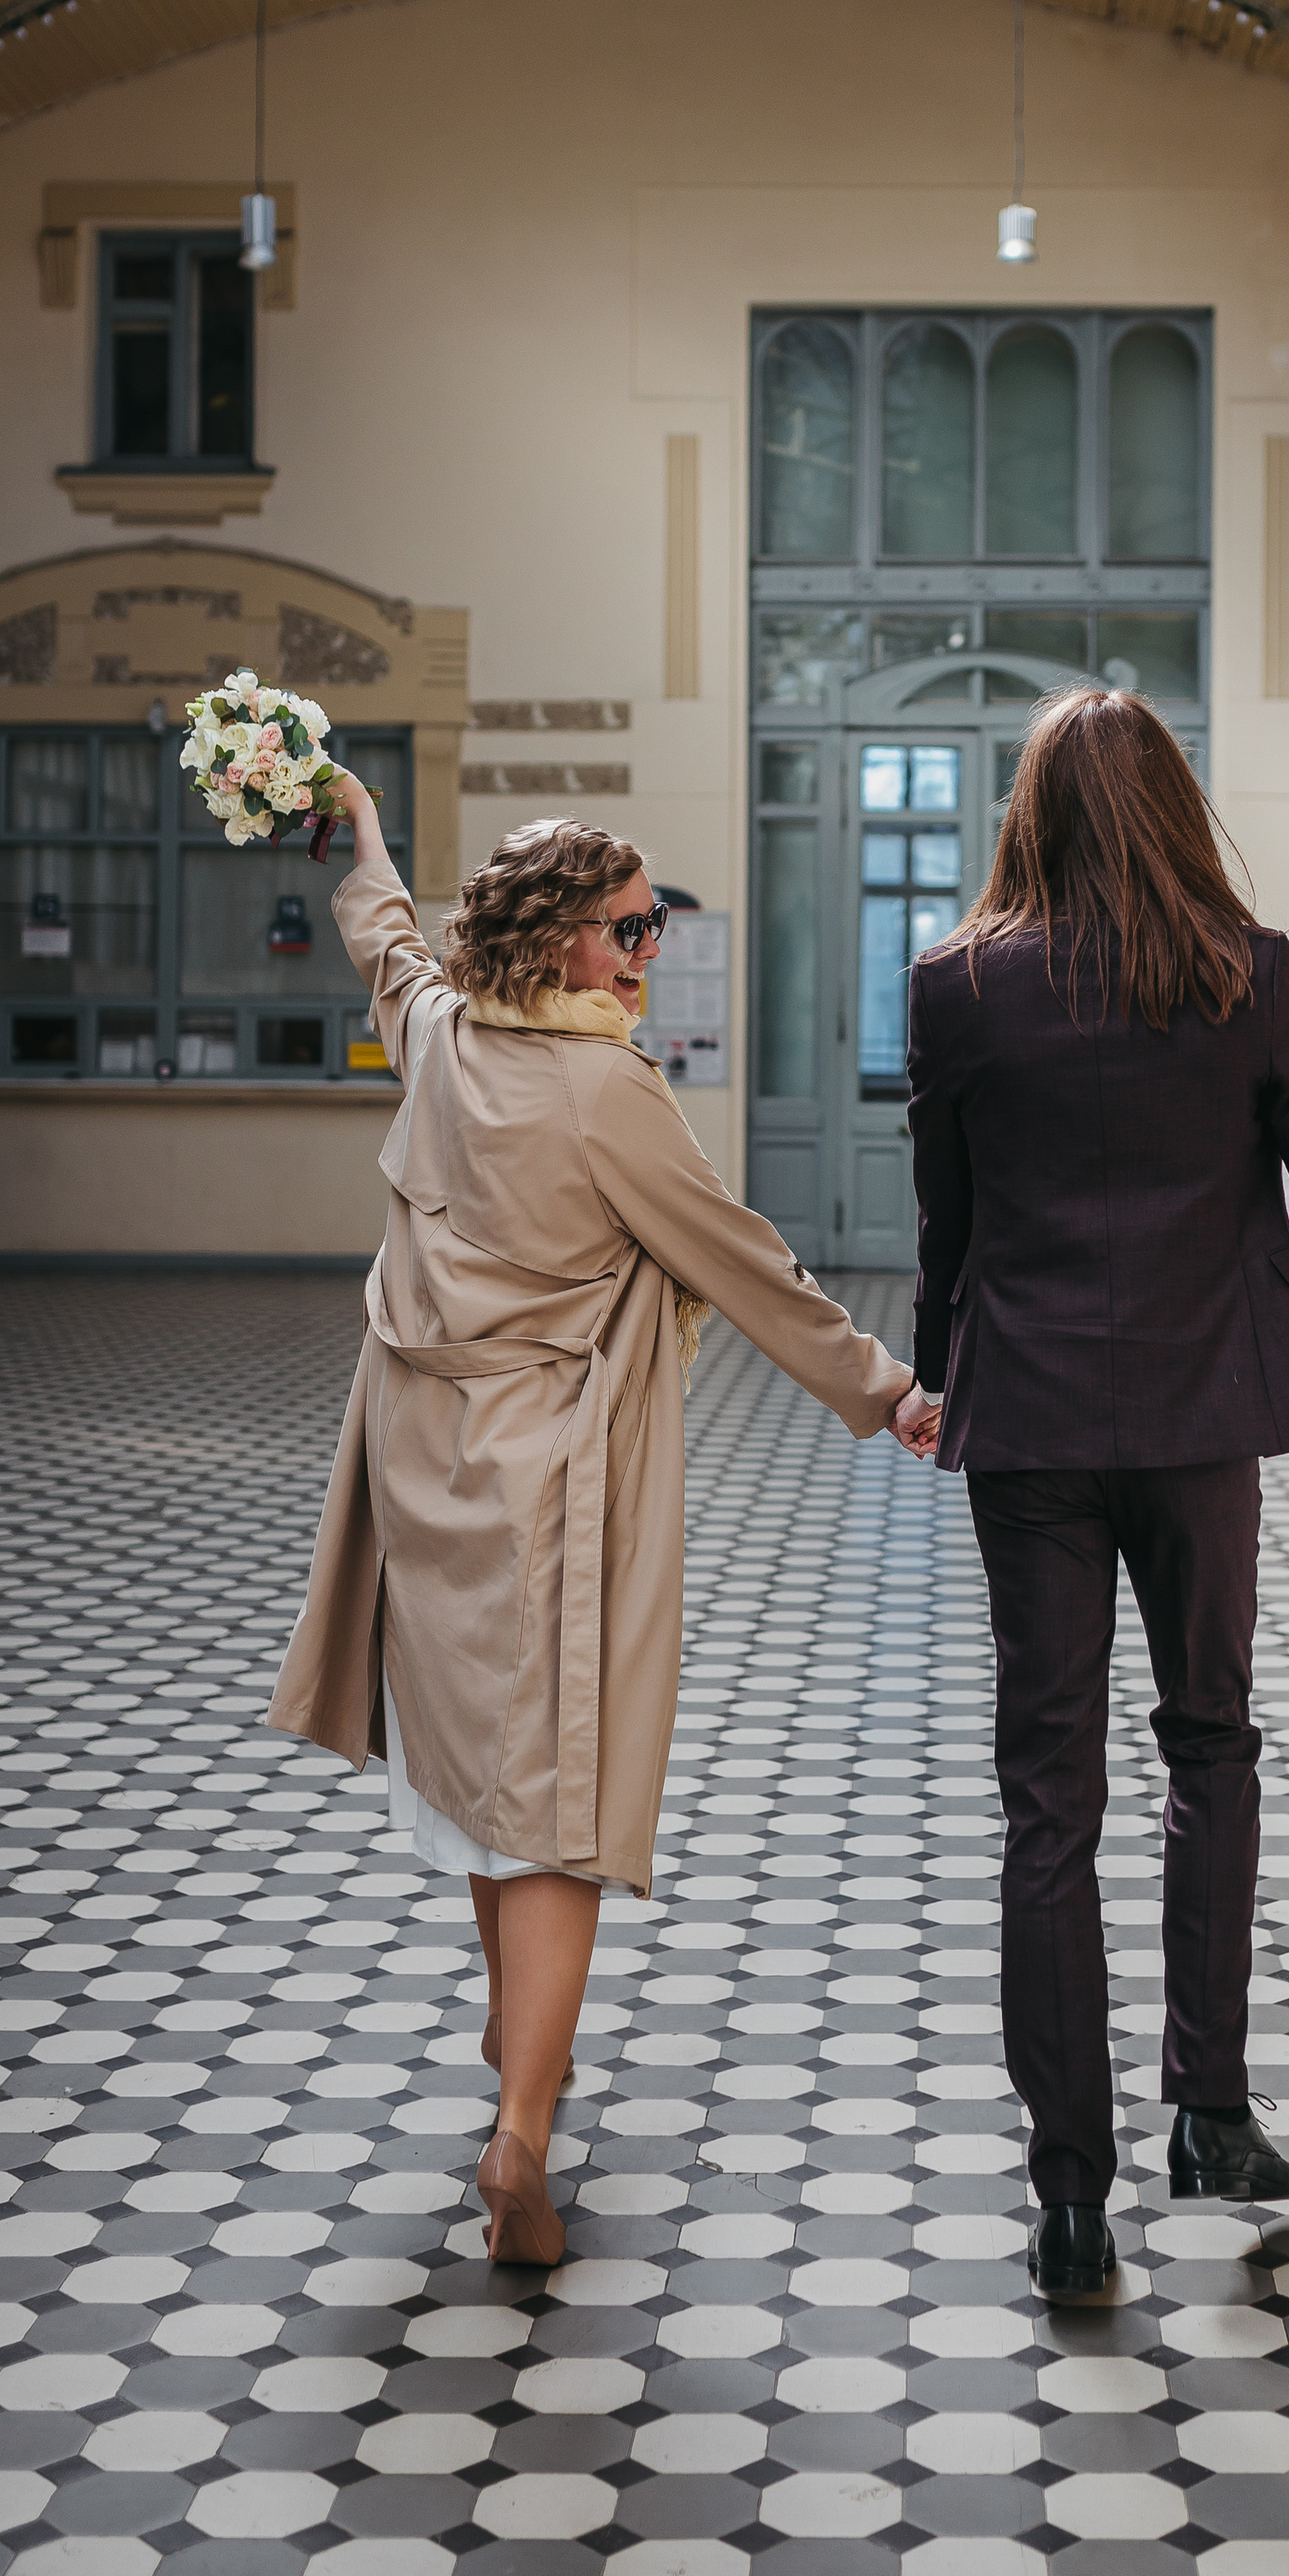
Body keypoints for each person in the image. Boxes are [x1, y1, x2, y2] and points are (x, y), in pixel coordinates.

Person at [897, 686, 1289, 2297]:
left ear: (1032, 815)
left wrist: (933, 1377)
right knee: (1211, 1745)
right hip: (1200, 1423)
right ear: (1174, 809)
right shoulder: (1252, 977)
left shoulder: (957, 985)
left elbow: (942, 1225)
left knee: (1051, 1800)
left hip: (1027, 1426)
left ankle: (1071, 2194)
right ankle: (1213, 2110)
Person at [270, 778, 919, 2264]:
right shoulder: (602, 1089)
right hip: (547, 1484)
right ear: (558, 938)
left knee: (494, 1795)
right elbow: (740, 1256)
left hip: (420, 1469)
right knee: (557, 1808)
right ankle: (523, 2153)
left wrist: (368, 837)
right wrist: (887, 1391)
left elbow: (388, 945)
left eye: (655, 926)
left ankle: (514, 2065)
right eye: (628, 929)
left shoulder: (441, 1041)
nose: (647, 953)